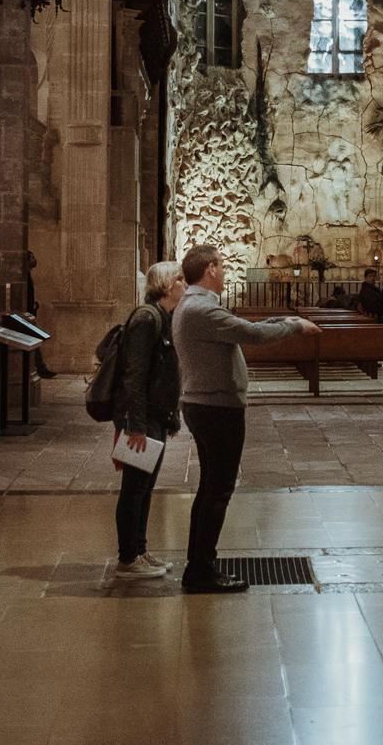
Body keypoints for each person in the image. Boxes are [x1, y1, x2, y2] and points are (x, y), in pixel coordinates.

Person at [172, 244, 318, 593]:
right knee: (218, 489)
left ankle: (200, 565)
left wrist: (283, 321)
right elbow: (252, 334)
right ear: (209, 269)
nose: (224, 271)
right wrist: (294, 325)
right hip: (215, 408)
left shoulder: (196, 307)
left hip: (209, 404)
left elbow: (243, 327)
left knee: (211, 488)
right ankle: (201, 571)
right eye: (221, 266)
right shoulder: (199, 309)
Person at [113, 261, 184, 580]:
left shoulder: (163, 317)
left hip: (155, 416)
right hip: (142, 419)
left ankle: (139, 550)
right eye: (181, 280)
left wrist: (169, 416)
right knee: (134, 488)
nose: (185, 285)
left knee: (145, 487)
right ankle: (127, 559)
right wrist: (137, 426)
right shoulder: (146, 318)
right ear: (168, 285)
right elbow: (136, 375)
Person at [22, 249, 57, 379]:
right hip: (26, 315)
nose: (34, 260)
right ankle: (40, 368)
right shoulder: (24, 276)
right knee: (33, 342)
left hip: (29, 313)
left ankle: (40, 368)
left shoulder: (26, 275)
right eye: (31, 257)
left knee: (34, 342)